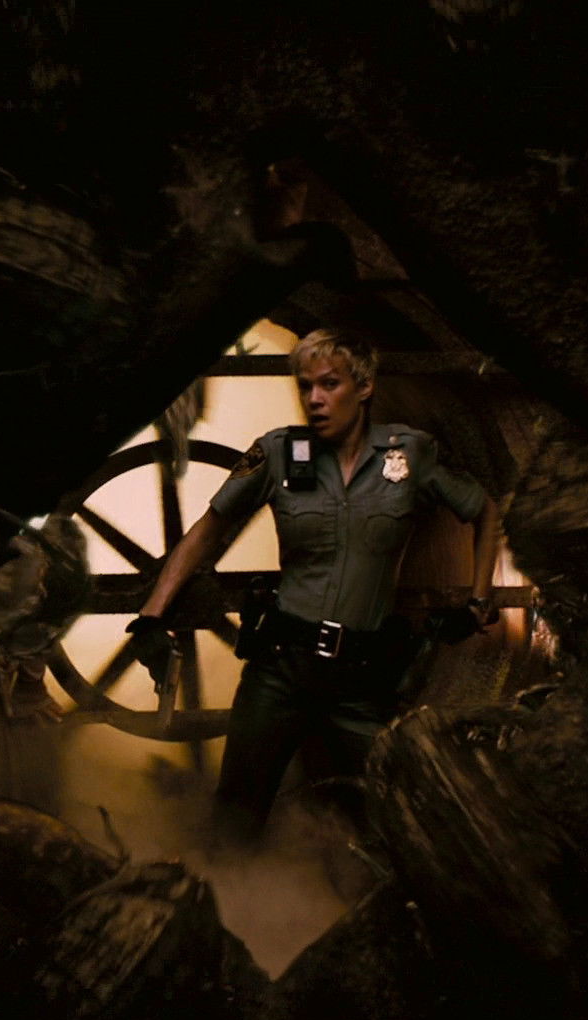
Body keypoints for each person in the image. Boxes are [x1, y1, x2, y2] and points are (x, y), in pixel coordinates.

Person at [126, 329, 501, 848]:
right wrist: (151, 616)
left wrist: (479, 602)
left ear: (364, 387)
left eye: (329, 384)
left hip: (362, 682)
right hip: (280, 671)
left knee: (395, 822)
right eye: (305, 386)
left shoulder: (407, 455)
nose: (314, 399)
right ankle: (219, 896)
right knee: (234, 823)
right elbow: (205, 532)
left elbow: (484, 510)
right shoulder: (279, 453)